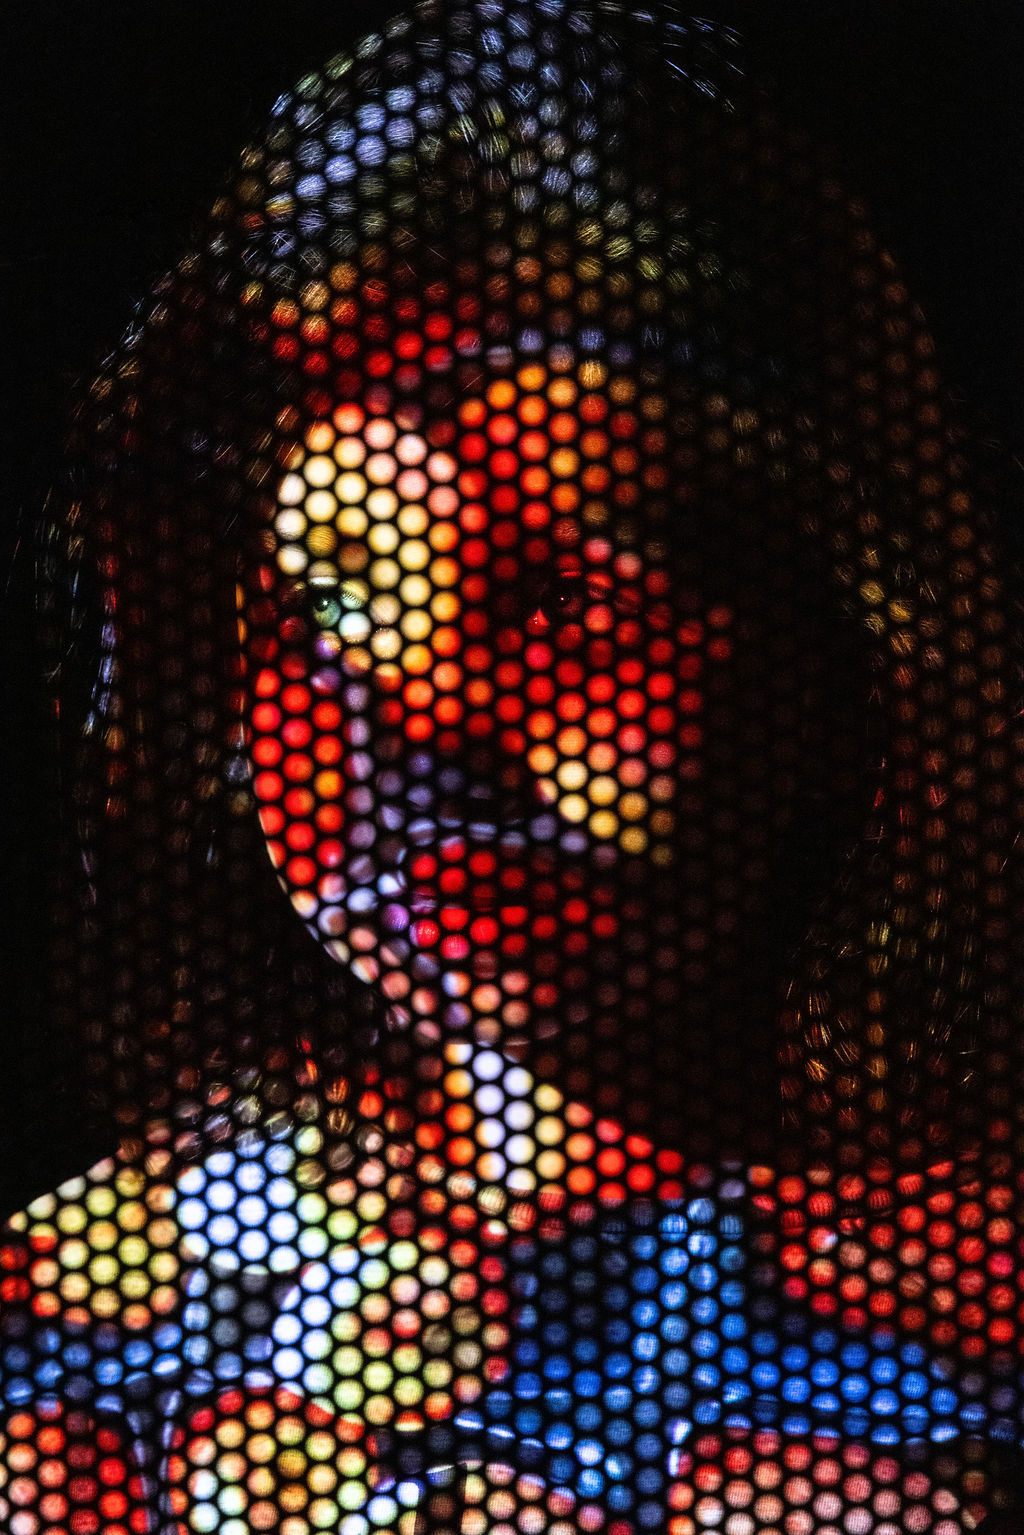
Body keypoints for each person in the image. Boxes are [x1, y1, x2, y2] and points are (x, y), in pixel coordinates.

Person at [3, 2, 1023, 1530]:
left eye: (568, 602)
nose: (424, 738)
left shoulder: (965, 1318)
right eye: (333, 605)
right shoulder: (81, 1338)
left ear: (842, 657)